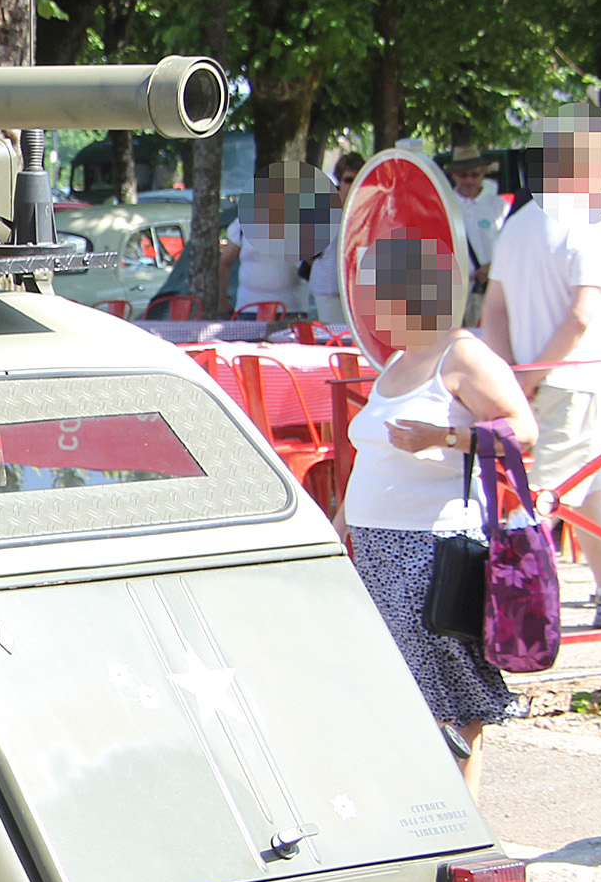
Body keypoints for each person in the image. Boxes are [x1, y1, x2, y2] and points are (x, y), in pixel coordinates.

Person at [335, 229, 538, 797]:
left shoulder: (462, 352)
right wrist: (340, 527)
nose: (367, 302)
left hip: (433, 549)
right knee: (405, 690)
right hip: (378, 549)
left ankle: (464, 821)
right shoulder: (399, 359)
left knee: (451, 694)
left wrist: (442, 434)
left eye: (375, 289)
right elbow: (372, 457)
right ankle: (431, 810)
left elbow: (522, 432)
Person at [482, 110, 601, 629]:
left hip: (538, 378)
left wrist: (511, 375)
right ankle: (510, 613)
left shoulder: (518, 223)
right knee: (542, 501)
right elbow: (582, 313)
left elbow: (494, 312)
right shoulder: (590, 224)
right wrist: (529, 376)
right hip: (571, 380)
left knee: (585, 489)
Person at [219, 165, 323, 318]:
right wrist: (221, 300)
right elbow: (225, 263)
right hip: (248, 309)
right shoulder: (243, 224)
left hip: (291, 309)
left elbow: (315, 265)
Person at [447, 147, 510, 326]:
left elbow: (509, 245)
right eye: (462, 175)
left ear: (483, 172)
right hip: (452, 288)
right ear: (453, 175)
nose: (468, 180)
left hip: (488, 286)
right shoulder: (445, 204)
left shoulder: (498, 206)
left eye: (474, 174)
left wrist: (492, 267)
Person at [307, 152, 365, 325]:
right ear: (340, 180)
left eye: (357, 179)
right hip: (328, 287)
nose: (352, 184)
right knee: (336, 335)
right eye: (348, 180)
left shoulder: (366, 208)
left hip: (359, 289)